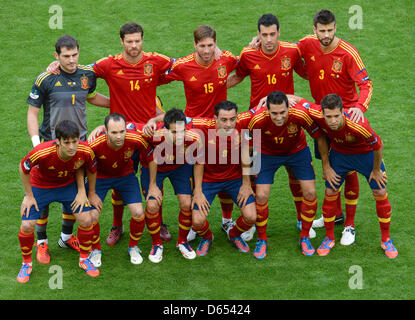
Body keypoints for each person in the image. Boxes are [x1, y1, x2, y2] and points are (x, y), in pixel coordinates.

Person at [227, 13, 312, 239]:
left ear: (279, 33)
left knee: (295, 172)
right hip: (259, 123)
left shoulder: (292, 51)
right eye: (264, 35)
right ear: (258, 35)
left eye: (272, 34)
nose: (268, 39)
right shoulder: (248, 54)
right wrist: (211, 87)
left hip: (287, 118)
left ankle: (301, 220)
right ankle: (253, 223)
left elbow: (308, 72)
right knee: (256, 177)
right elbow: (237, 75)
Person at [26, 34, 109, 264]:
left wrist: (118, 102)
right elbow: (32, 113)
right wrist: (37, 145)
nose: (71, 60)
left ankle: (65, 236)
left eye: (74, 55)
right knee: (43, 192)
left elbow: (91, 97)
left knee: (72, 194)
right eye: (66, 56)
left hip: (78, 144)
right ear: (56, 56)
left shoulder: (87, 74)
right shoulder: (46, 78)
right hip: (50, 145)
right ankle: (41, 242)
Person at [296, 10, 374, 244]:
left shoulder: (348, 53)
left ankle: (349, 225)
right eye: (322, 31)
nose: (326, 35)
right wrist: (258, 42)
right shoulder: (306, 44)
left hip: (345, 122)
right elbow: (289, 56)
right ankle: (336, 215)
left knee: (348, 170)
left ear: (335, 28)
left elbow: (366, 84)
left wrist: (360, 106)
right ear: (314, 30)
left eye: (330, 30)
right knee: (331, 169)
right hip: (323, 119)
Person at [158, 25, 239, 239]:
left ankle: (226, 220)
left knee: (223, 167)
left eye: (210, 45)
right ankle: (195, 224)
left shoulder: (226, 59)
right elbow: (157, 78)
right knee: (195, 174)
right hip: (193, 127)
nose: (206, 50)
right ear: (194, 45)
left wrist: (223, 83)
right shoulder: (183, 66)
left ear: (216, 44)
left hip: (220, 125)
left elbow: (245, 67)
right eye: (202, 46)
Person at [292, 93, 397, 259]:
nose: (332, 121)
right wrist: (274, 97)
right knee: (331, 191)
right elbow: (298, 100)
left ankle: (386, 240)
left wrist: (376, 170)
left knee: (380, 192)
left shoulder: (358, 123)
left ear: (343, 112)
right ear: (323, 114)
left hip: (365, 155)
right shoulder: (317, 112)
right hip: (340, 156)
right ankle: (329, 238)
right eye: (329, 117)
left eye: (336, 116)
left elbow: (378, 145)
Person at [17, 120, 101, 283]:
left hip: (66, 186)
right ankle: (26, 263)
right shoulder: (41, 152)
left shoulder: (85, 150)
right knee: (27, 225)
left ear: (79, 139)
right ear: (58, 142)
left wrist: (89, 193)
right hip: (40, 186)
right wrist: (28, 195)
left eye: (74, 141)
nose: (71, 147)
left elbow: (90, 168)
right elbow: (23, 168)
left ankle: (84, 259)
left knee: (86, 218)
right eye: (66, 142)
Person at [247, 91, 328, 258]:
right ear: (267, 109)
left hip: (296, 151)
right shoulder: (257, 119)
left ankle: (304, 237)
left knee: (310, 192)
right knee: (261, 195)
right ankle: (262, 239)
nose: (279, 117)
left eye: (283, 112)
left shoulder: (299, 113)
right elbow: (247, 147)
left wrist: (326, 165)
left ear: (288, 108)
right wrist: (246, 180)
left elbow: (319, 137)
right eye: (274, 113)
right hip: (266, 153)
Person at [87, 113, 160, 266]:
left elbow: (152, 159)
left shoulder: (136, 138)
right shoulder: (94, 144)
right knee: (91, 216)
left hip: (125, 176)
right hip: (100, 177)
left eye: (122, 131)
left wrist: (153, 185)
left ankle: (133, 247)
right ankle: (95, 249)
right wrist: (89, 193)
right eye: (114, 132)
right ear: (105, 131)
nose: (119, 136)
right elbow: (82, 165)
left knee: (139, 213)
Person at [189, 101, 257, 257]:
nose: (229, 124)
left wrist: (246, 184)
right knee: (197, 221)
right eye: (224, 120)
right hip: (209, 180)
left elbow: (246, 154)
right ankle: (207, 237)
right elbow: (178, 119)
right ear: (215, 118)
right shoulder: (204, 127)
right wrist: (198, 191)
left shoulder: (243, 126)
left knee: (251, 217)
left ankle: (233, 234)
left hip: (234, 179)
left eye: (232, 119)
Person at [137, 108, 204, 261]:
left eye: (182, 131)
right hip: (154, 168)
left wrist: (198, 191)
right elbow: (126, 126)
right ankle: (156, 244)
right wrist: (153, 185)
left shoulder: (193, 138)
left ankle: (182, 242)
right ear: (165, 129)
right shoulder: (152, 135)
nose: (180, 136)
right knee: (152, 204)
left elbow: (199, 163)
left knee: (187, 203)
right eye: (174, 132)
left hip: (179, 166)